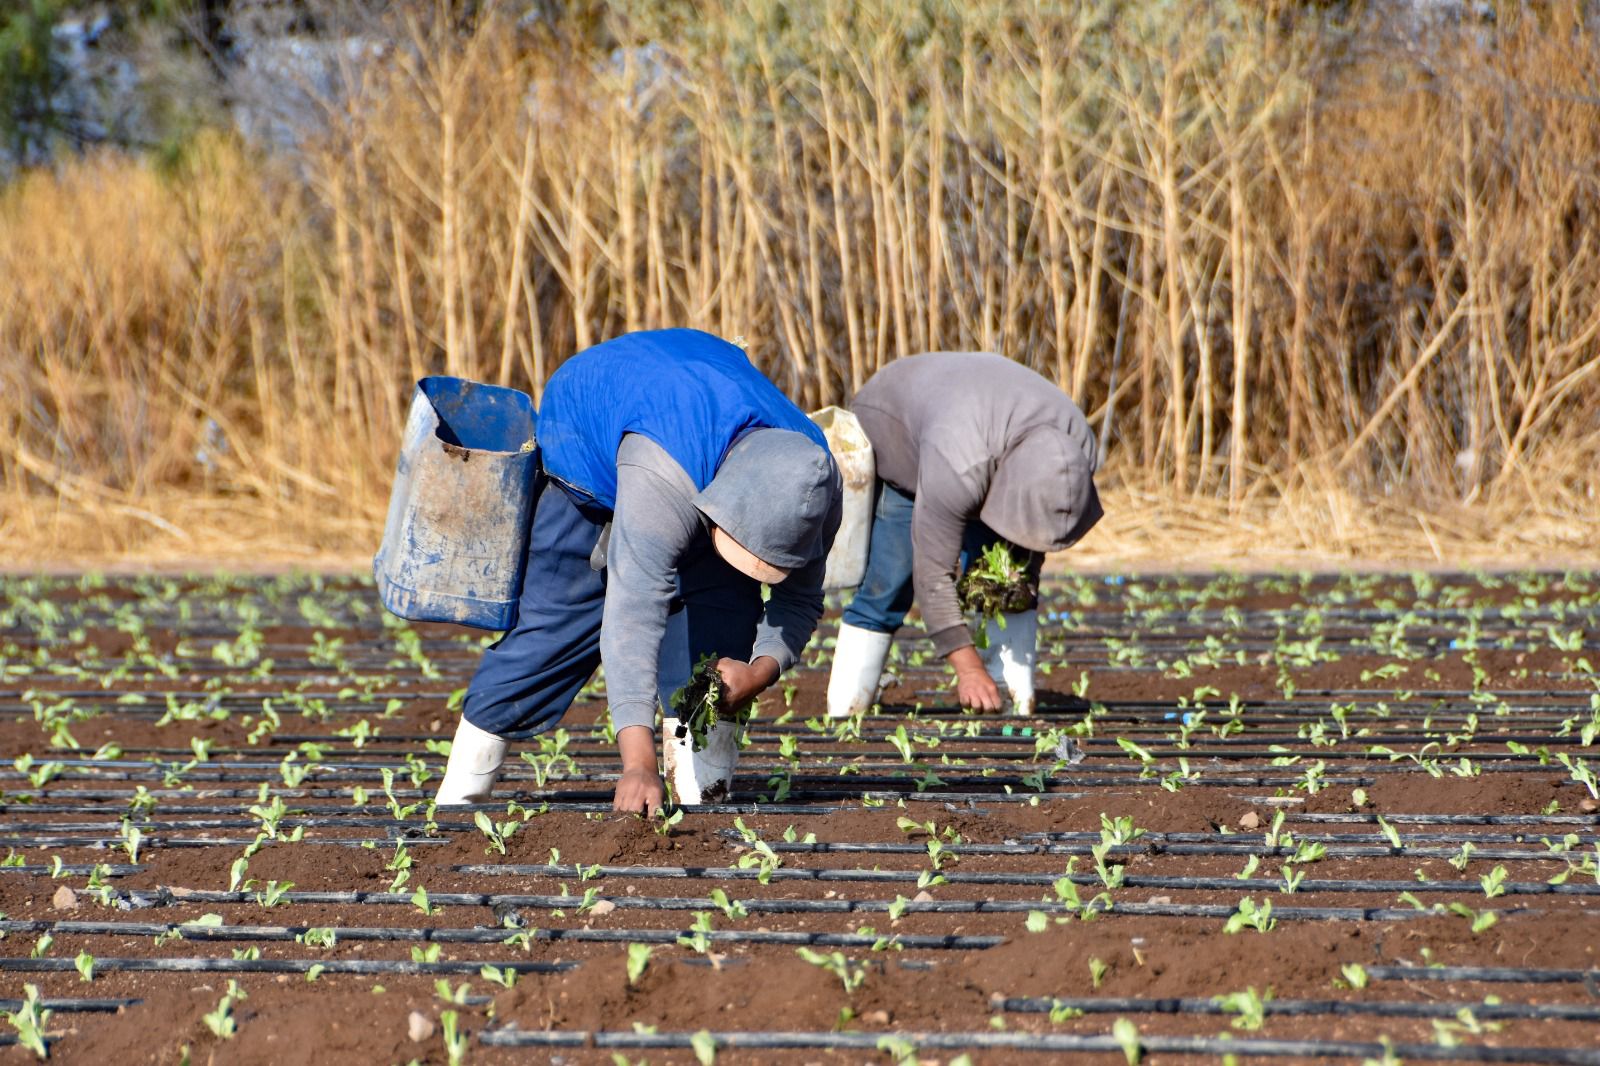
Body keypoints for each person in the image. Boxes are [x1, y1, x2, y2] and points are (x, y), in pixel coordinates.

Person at [435, 328, 841, 813]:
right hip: (593, 453)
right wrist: (638, 765)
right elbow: (632, 609)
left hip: (697, 439)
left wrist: (759, 672)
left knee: (718, 637)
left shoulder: (814, 481)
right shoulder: (661, 472)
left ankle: (703, 805)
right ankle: (457, 803)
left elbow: (801, 598)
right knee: (551, 637)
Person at [826, 352, 1101, 718]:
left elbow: (1038, 532)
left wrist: (1022, 579)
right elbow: (932, 575)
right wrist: (969, 670)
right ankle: (846, 708)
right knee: (891, 580)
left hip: (977, 426)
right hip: (897, 424)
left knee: (1006, 580)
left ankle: (1012, 703)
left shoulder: (1080, 448)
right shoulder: (959, 466)